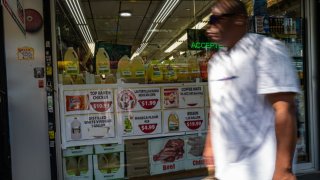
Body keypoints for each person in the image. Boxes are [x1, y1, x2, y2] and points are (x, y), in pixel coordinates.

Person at [203, 0, 299, 180]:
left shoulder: (266, 50)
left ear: (239, 19)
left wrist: (283, 169)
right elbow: (217, 109)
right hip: (228, 170)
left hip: (263, 169)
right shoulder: (216, 62)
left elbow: (285, 109)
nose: (210, 26)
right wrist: (210, 144)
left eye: (215, 18)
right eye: (209, 20)